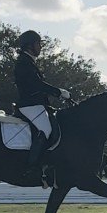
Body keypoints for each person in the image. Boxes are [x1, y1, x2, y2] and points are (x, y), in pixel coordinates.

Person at [14, 30, 70, 174]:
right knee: (45, 130)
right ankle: (31, 167)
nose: (40, 47)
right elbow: (36, 84)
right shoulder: (24, 62)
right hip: (29, 105)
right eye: (38, 43)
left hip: (36, 105)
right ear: (29, 45)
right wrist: (58, 92)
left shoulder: (29, 62)